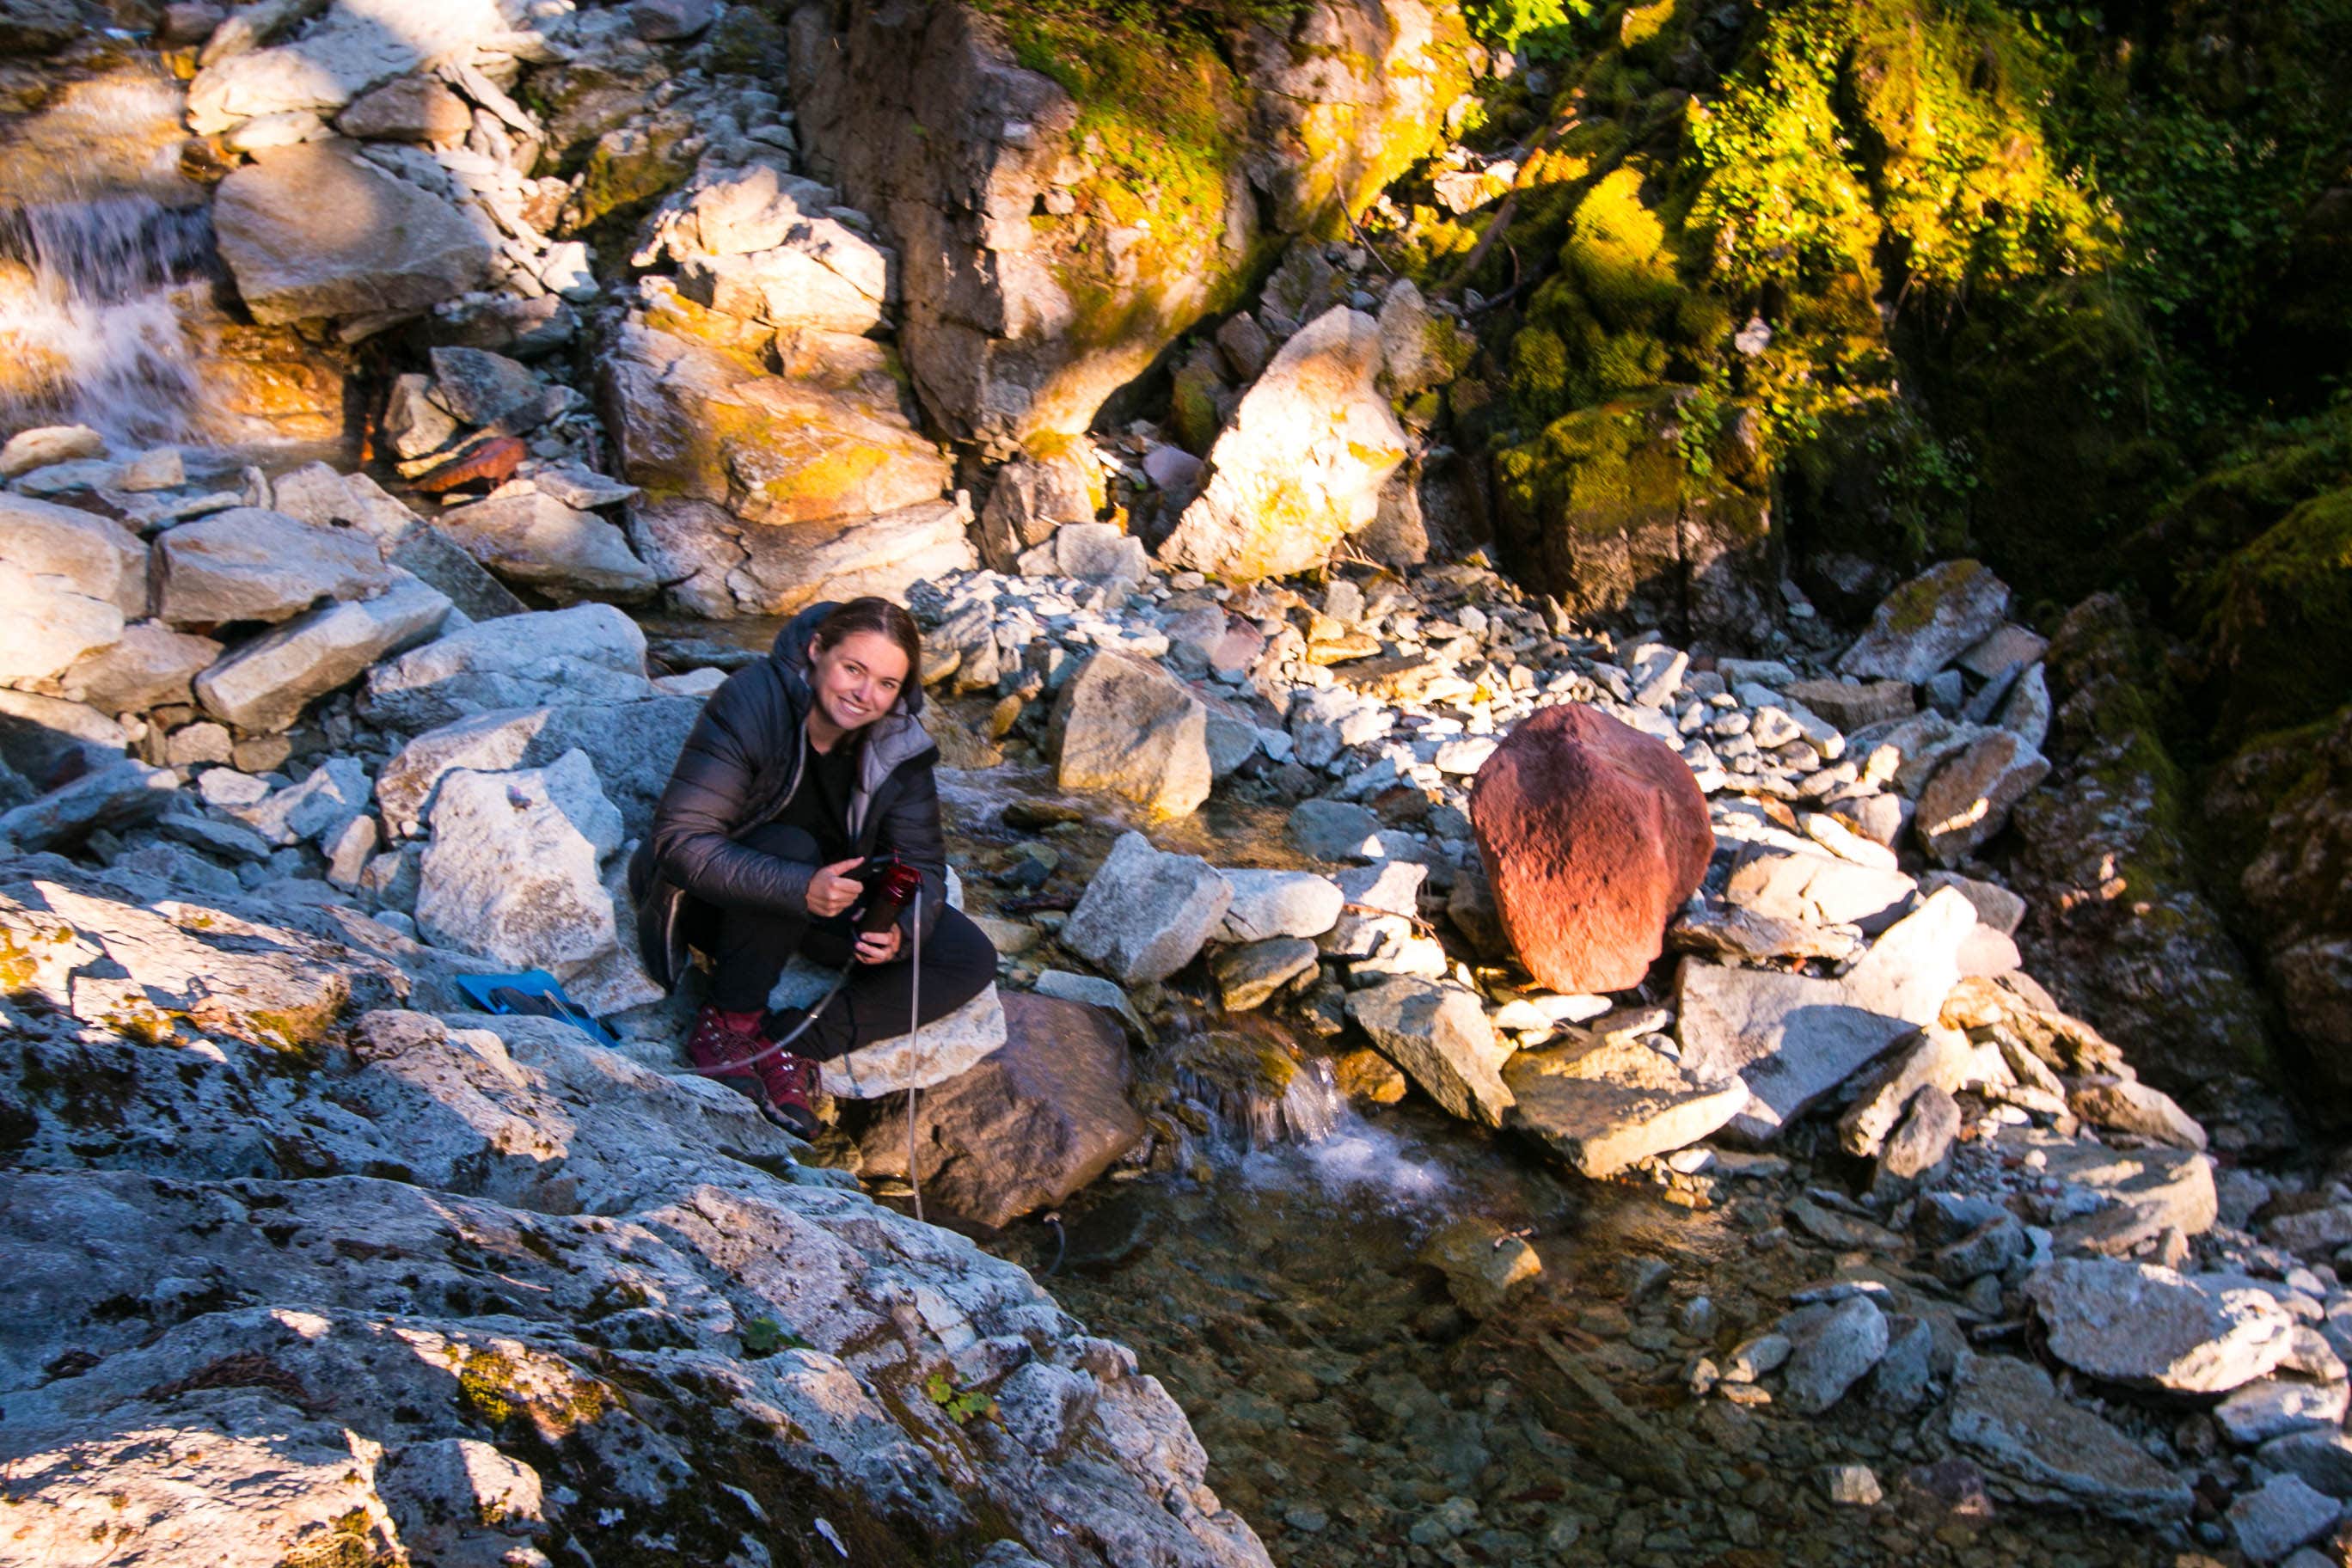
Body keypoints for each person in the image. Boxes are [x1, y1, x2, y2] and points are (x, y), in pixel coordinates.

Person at [628, 596, 997, 1136]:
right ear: (816, 650)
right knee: (792, 848)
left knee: (968, 956)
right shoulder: (755, 701)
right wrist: (801, 886)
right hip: (720, 899)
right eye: (854, 669)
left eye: (887, 684)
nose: (865, 696)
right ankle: (729, 1020)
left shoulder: (899, 742)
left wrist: (901, 929)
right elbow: (680, 841)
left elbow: (922, 861)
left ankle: (794, 1043)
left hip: (828, 902)